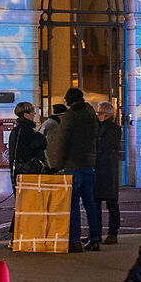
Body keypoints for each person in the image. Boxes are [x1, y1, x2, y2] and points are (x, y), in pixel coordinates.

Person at [54, 87, 101, 251]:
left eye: (66, 98)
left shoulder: (70, 116)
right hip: (89, 163)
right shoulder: (91, 115)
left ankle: (74, 240)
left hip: (72, 165)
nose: (65, 101)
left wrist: (57, 165)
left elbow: (63, 143)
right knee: (90, 203)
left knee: (73, 204)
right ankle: (95, 238)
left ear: (70, 99)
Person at [92, 100, 123, 245]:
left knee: (110, 203)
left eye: (99, 112)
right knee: (97, 202)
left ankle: (112, 233)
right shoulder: (101, 127)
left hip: (107, 168)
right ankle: (97, 233)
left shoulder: (113, 129)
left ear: (107, 114)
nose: (97, 115)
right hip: (102, 168)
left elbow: (105, 145)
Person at [6, 103, 45, 192]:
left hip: (20, 169)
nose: (34, 114)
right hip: (27, 171)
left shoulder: (17, 129)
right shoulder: (26, 130)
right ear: (26, 114)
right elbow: (29, 150)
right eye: (32, 112)